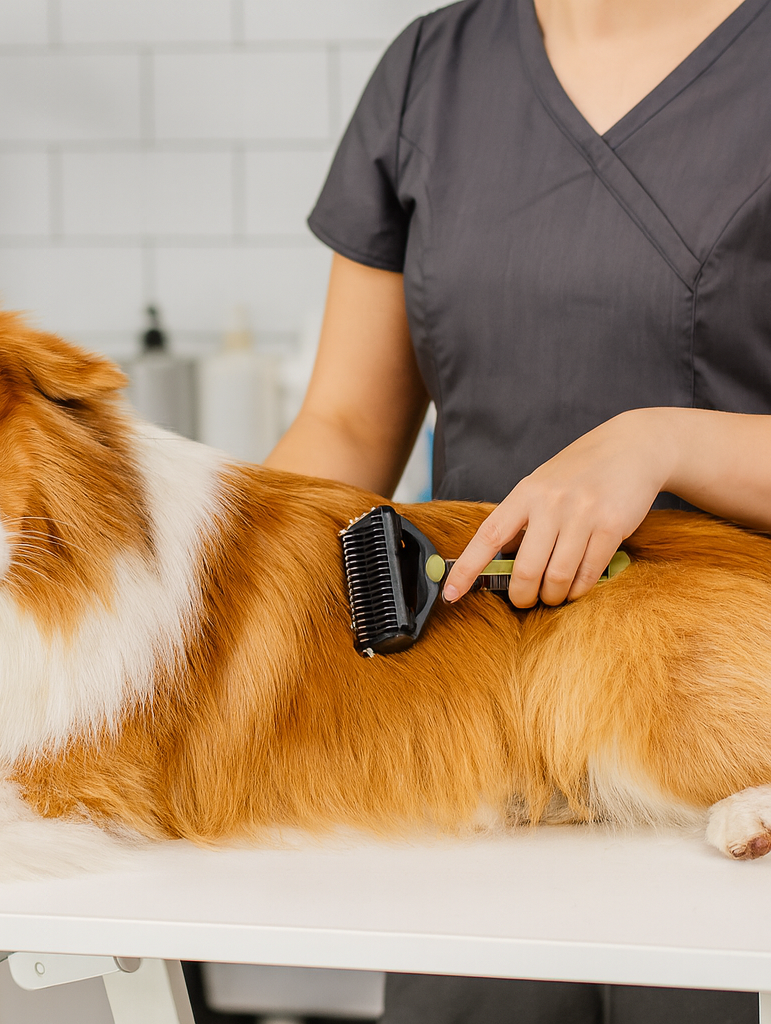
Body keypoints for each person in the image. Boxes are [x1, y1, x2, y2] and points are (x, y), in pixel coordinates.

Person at [265, 0, 771, 1021]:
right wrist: (210, 591)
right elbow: (347, 427)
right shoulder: (431, 72)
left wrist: (662, 442)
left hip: (729, 731)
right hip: (481, 742)